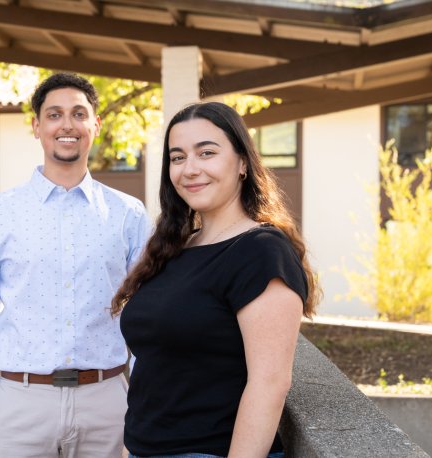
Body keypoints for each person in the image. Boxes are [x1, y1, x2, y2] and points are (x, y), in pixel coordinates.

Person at [0, 72, 151, 457]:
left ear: (96, 124)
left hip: (107, 403)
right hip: (18, 405)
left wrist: (140, 391)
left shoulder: (128, 214)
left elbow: (146, 310)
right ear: (37, 126)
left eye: (79, 114)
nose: (67, 125)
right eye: (54, 114)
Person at [112, 102, 320, 458]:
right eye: (177, 158)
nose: (190, 169)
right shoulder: (176, 247)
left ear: (242, 163)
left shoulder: (261, 251)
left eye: (206, 153)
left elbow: (269, 384)